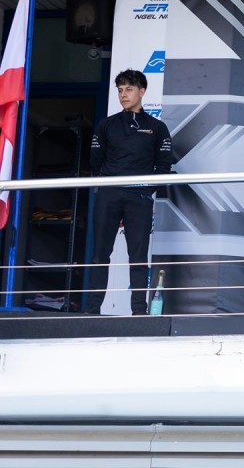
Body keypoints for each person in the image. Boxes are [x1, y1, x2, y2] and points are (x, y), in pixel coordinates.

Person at [85, 69, 174, 315]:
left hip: (139, 198)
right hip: (109, 195)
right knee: (100, 254)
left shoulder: (157, 127)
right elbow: (95, 161)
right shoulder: (106, 125)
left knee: (138, 256)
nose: (123, 95)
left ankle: (139, 312)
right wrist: (107, 185)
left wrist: (145, 191)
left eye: (129, 89)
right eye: (120, 90)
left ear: (142, 92)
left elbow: (164, 166)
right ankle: (92, 310)